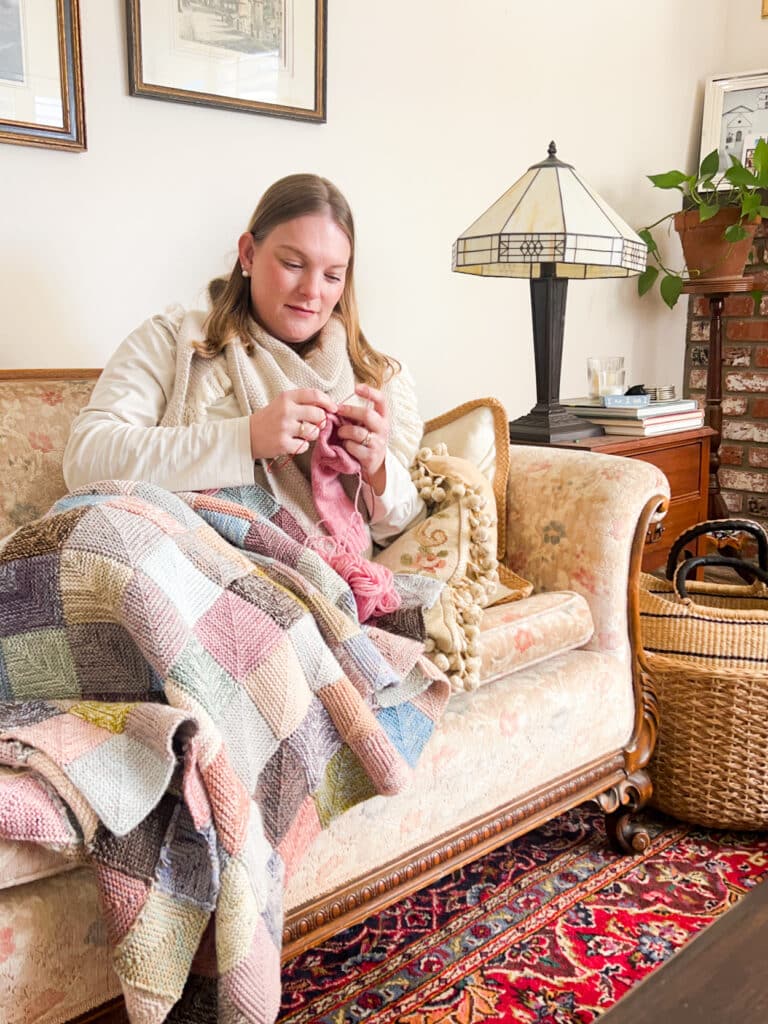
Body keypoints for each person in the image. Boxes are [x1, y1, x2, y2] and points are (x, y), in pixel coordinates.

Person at [63, 173, 426, 548]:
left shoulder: (374, 376)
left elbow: (399, 534)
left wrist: (378, 469)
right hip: (191, 564)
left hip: (326, 579)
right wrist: (247, 438)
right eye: (293, 264)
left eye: (333, 276)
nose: (312, 292)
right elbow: (86, 460)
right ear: (248, 254)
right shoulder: (173, 341)